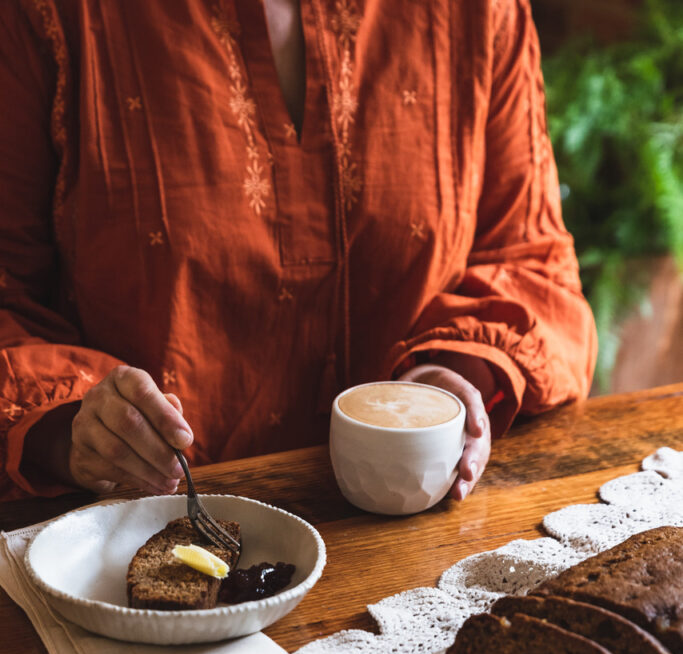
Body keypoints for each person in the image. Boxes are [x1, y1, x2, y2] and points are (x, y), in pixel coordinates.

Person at [0, 0, 597, 504]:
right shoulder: (47, 14)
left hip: (413, 548)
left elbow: (530, 261)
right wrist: (77, 431)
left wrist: (449, 378)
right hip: (130, 557)